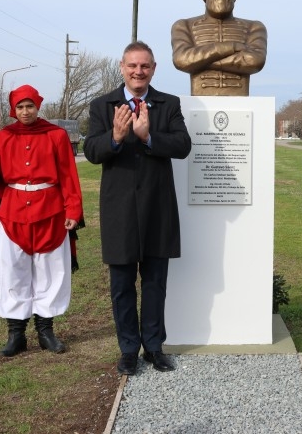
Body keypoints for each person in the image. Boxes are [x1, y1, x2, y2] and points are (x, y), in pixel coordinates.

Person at [84, 41, 192, 376]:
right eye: (132, 65)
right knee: (121, 286)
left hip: (158, 210)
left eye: (144, 66)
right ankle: (129, 349)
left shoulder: (168, 104)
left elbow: (183, 145)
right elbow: (91, 150)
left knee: (155, 284)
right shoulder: (103, 106)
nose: (138, 71)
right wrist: (115, 137)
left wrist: (147, 137)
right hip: (120, 213)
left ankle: (155, 348)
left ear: (153, 69)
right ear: (122, 67)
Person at [0, 84, 83, 357]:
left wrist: (73, 211)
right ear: (13, 110)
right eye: (20, 107)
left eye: (30, 106)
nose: (25, 111)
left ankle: (46, 332)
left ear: (38, 106)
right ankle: (16, 335)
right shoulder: (3, 136)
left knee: (50, 272)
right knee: (13, 271)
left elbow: (68, 175)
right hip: (12, 214)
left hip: (50, 213)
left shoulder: (56, 135)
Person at [171, 0, 267, 96]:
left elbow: (255, 61)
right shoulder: (183, 26)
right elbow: (181, 59)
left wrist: (198, 62)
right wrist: (232, 46)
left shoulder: (254, 27)